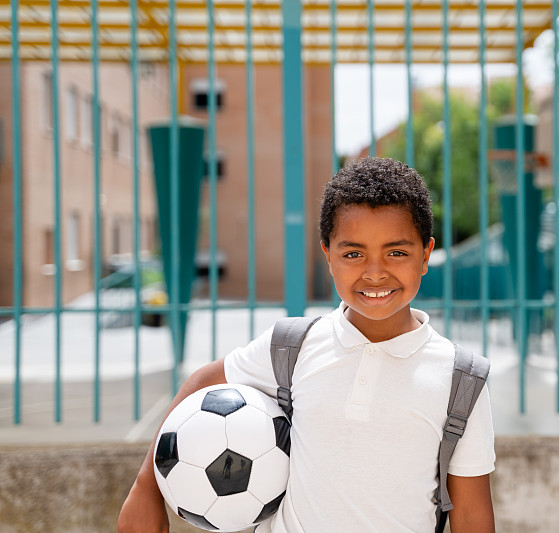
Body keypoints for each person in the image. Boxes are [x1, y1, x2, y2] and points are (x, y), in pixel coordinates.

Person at [117, 157, 496, 533]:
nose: (375, 271)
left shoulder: (461, 379)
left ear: (426, 254)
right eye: (353, 253)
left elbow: (471, 514)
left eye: (396, 252)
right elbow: (203, 382)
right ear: (328, 256)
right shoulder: (293, 347)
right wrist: (145, 488)